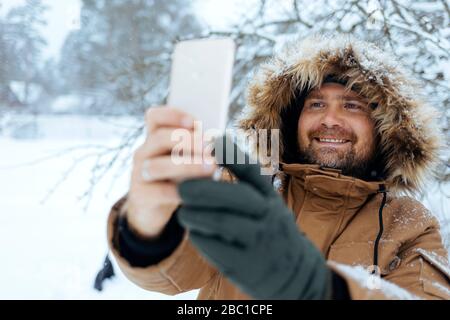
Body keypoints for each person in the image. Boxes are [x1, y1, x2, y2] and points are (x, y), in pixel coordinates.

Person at [106, 34, 450, 299]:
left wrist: (317, 286)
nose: (330, 119)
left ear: (384, 128)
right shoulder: (245, 188)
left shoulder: (411, 225)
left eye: (352, 105)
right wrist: (148, 226)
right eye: (315, 104)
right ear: (290, 119)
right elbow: (175, 272)